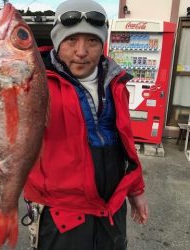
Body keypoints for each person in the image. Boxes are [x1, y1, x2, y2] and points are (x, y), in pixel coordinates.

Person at [23, 0, 148, 249]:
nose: (81, 51)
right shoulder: (34, 82)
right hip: (61, 218)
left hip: (111, 212)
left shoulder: (116, 82)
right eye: (71, 40)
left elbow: (125, 141)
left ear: (103, 44)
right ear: (58, 43)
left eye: (92, 41)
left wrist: (136, 190)